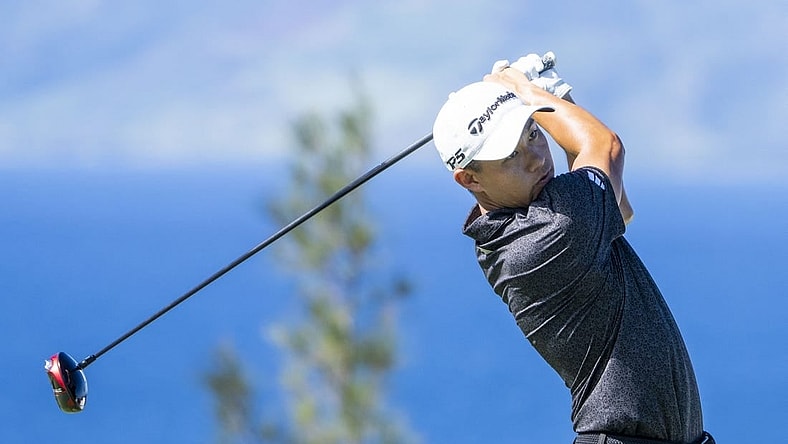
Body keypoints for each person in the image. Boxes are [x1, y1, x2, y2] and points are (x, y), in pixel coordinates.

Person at [432, 53, 714, 444]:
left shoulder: (539, 217)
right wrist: (525, 90)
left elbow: (621, 207)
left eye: (533, 132)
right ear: (469, 179)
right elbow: (606, 146)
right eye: (511, 154)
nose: (535, 157)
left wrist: (550, 100)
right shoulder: (545, 238)